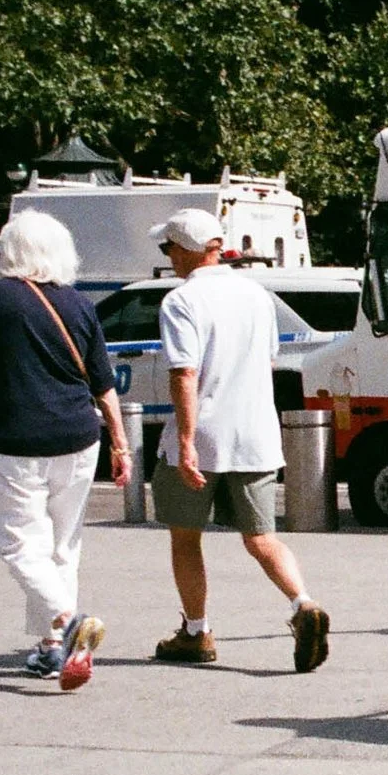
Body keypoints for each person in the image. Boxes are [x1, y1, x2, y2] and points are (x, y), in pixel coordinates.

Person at [0, 211, 132, 688]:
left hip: (13, 440)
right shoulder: (79, 304)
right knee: (62, 546)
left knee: (21, 544)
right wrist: (121, 444)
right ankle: (50, 649)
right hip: (79, 438)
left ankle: (68, 624)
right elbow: (103, 382)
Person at [145, 209, 331, 671]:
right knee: (262, 537)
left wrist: (185, 441)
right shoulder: (256, 294)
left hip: (203, 435)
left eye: (169, 248)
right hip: (255, 434)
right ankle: (302, 604)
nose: (168, 257)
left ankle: (196, 632)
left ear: (186, 250)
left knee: (186, 539)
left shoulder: (181, 301)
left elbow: (184, 374)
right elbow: (266, 362)